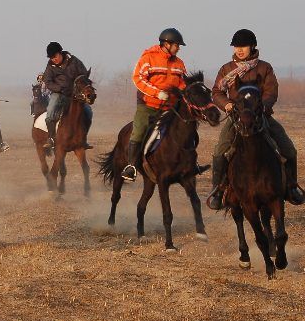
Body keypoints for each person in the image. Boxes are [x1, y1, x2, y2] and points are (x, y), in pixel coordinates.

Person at [208, 29, 304, 208]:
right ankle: (218, 190)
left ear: (252, 46)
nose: (239, 50)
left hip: (261, 116)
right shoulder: (227, 69)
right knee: (220, 150)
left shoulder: (264, 67)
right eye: (236, 46)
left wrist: (262, 107)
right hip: (237, 118)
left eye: (243, 46)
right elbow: (216, 92)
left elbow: (271, 91)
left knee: (289, 149)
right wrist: (227, 104)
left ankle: (291, 187)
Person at [121, 29, 188, 181]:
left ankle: (189, 163)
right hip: (148, 105)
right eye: (177, 45)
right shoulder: (148, 58)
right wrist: (157, 93)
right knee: (139, 131)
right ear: (166, 44)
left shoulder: (179, 63)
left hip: (170, 107)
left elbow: (182, 83)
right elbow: (138, 79)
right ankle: (131, 166)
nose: (179, 48)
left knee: (186, 130)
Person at [42, 42, 92, 149]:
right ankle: (51, 138)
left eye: (54, 56)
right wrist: (59, 88)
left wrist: (83, 87)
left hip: (75, 94)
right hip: (58, 94)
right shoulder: (50, 66)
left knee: (88, 112)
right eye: (51, 57)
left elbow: (84, 75)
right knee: (50, 112)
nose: (53, 59)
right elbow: (47, 81)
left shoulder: (74, 61)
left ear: (60, 53)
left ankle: (83, 139)